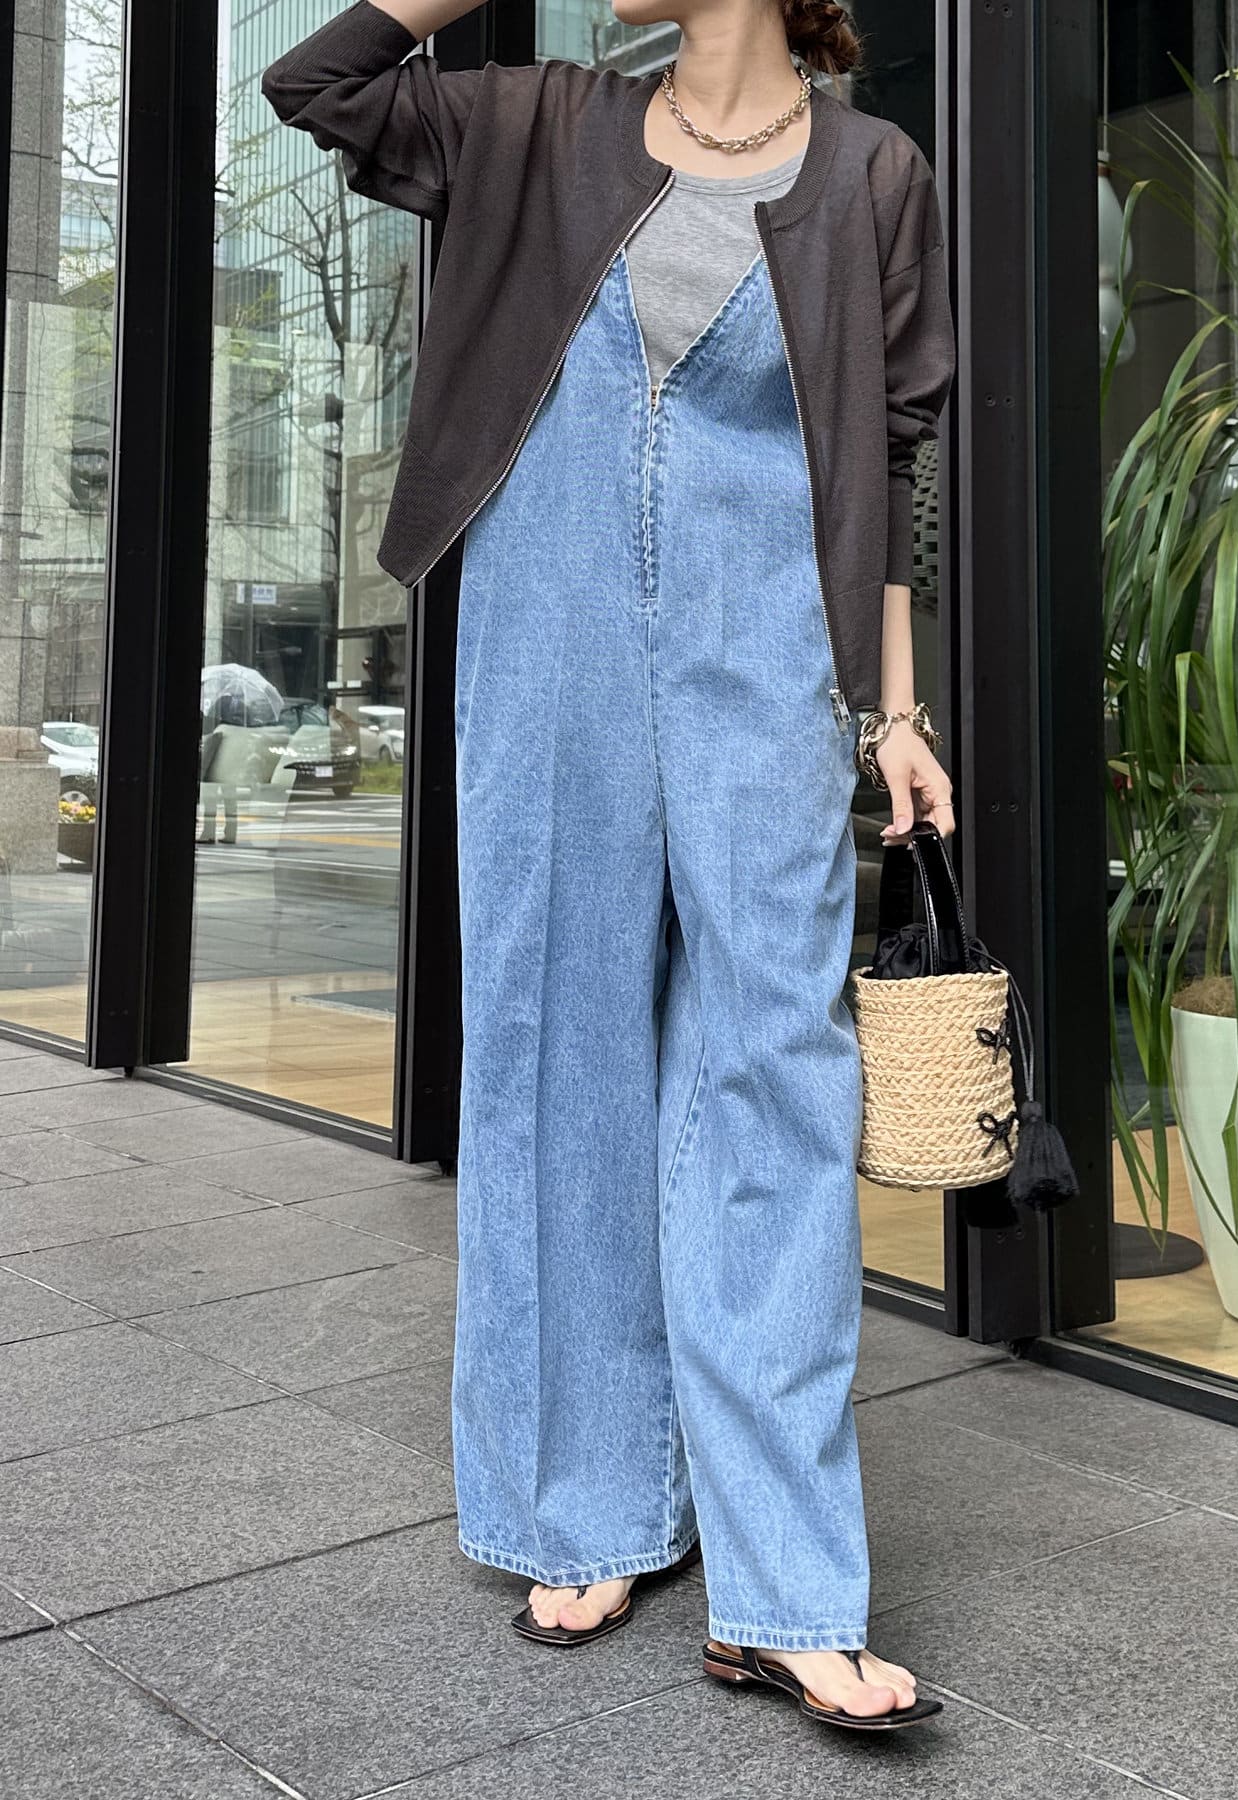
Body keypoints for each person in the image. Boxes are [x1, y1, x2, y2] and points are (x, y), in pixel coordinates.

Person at [263, 0, 955, 1732]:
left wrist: (898, 716)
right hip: (546, 625)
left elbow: (897, 457)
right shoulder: (536, 122)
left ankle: (786, 1587)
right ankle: (585, 1504)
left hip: (764, 646)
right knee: (555, 1053)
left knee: (773, 1072)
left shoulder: (874, 171)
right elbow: (317, 79)